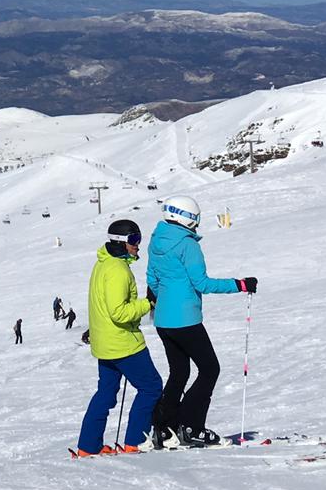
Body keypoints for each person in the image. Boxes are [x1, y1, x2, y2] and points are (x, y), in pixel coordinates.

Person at [145, 195, 254, 449]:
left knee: (179, 372)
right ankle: (191, 426)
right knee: (209, 369)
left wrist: (167, 302)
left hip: (164, 320)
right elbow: (202, 283)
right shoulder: (187, 245)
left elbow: (152, 280)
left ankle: (164, 427)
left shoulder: (156, 239)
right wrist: (240, 284)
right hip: (186, 319)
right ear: (189, 219)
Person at [74, 219, 163, 457]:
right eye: (134, 240)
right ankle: (136, 441)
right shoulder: (118, 270)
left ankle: (88, 446)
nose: (138, 246)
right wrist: (148, 303)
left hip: (105, 343)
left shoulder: (102, 264)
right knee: (151, 387)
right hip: (123, 342)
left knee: (106, 392)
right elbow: (119, 312)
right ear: (121, 243)